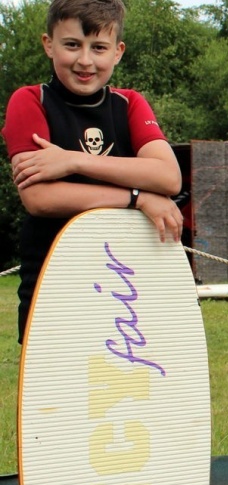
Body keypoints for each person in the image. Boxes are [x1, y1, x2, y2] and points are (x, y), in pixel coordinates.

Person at [1, 0, 184, 344]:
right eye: (72, 45)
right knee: (57, 393)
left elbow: (168, 177)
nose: (85, 61)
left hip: (126, 284)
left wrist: (73, 161)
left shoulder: (129, 104)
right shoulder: (29, 101)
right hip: (54, 279)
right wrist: (137, 197)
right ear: (48, 44)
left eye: (99, 48)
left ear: (118, 52)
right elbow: (39, 198)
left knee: (126, 390)